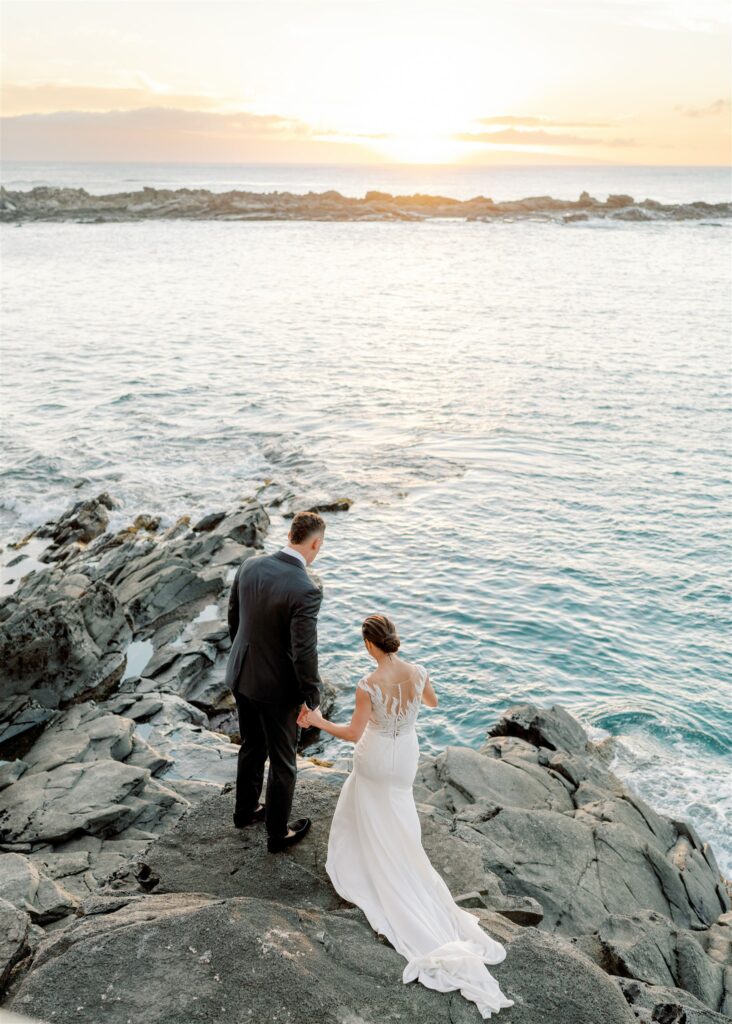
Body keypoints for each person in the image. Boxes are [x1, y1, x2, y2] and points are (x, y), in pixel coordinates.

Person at [301, 613, 514, 1019]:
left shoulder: (368, 685)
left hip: (378, 755)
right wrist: (408, 703)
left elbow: (352, 733)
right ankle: (401, 861)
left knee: (364, 803)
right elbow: (432, 702)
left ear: (369, 645)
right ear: (394, 640)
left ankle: (372, 865)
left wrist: (315, 719)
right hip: (406, 758)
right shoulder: (418, 672)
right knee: (397, 812)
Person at [225, 510, 325, 853]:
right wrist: (313, 696)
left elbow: (234, 617)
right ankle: (277, 833)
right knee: (284, 761)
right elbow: (304, 653)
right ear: (315, 543)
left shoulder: (250, 565)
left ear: (289, 536)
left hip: (241, 674)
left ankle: (245, 811)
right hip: (276, 690)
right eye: (319, 547)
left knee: (252, 745)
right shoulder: (305, 589)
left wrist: (243, 656)